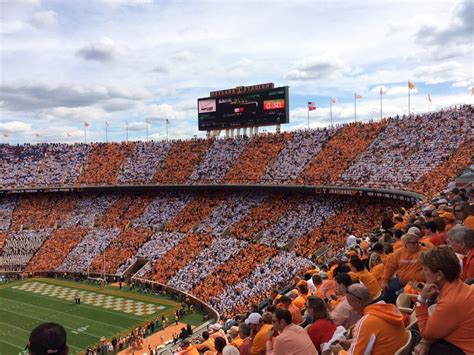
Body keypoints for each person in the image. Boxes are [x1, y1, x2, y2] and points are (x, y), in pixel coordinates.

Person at [414, 246, 474, 355]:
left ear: (439, 275)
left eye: (425, 269)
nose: (422, 273)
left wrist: (421, 300)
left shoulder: (450, 302)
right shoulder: (463, 287)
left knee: (419, 341)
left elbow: (426, 333)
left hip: (466, 350)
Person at [331, 284, 407, 355]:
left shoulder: (366, 323)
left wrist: (339, 351)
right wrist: (350, 342)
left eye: (351, 304)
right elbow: (381, 340)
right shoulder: (390, 308)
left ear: (359, 303)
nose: (352, 309)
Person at [382, 232, 427, 304]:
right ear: (406, 243)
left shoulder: (425, 252)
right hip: (402, 281)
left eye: (417, 242)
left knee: (402, 293)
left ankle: (404, 310)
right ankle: (394, 309)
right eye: (413, 243)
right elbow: (390, 267)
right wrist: (385, 280)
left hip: (418, 283)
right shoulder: (398, 253)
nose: (416, 245)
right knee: (387, 288)